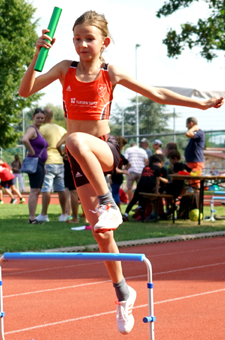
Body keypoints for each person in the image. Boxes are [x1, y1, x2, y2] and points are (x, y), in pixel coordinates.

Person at [18, 10, 223, 334]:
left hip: (104, 150)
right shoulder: (63, 69)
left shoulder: (109, 72)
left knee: (75, 140)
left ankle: (109, 204)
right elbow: (25, 91)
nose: (82, 44)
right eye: (76, 39)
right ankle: (123, 293)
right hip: (78, 159)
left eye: (89, 38)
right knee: (102, 235)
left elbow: (156, 93)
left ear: (104, 42)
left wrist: (198, 104)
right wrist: (36, 53)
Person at [35, 108, 67, 222]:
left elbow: (39, 144)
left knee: (46, 188)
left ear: (45, 116)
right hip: (60, 161)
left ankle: (44, 214)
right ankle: (64, 214)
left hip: (47, 161)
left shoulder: (42, 129)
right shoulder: (61, 129)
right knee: (61, 188)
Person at [22, 108, 48, 224]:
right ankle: (32, 218)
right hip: (35, 162)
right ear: (33, 117)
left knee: (37, 190)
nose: (40, 120)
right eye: (38, 118)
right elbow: (24, 139)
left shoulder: (39, 130)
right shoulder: (32, 130)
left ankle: (33, 217)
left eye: (42, 118)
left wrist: (44, 166)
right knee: (34, 190)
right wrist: (32, 151)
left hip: (41, 164)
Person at [123, 154, 163, 221]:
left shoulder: (146, 167)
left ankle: (126, 214)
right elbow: (157, 180)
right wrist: (157, 191)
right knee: (146, 200)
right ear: (156, 162)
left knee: (134, 200)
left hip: (140, 185)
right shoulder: (157, 168)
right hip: (149, 187)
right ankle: (143, 214)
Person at [56, 133, 79, 223]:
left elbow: (58, 145)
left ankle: (75, 218)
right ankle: (85, 217)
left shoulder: (69, 135)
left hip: (71, 167)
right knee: (83, 192)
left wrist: (63, 153)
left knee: (73, 192)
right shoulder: (81, 133)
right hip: (78, 164)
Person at [163, 150, 192, 216]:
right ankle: (172, 206)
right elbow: (190, 171)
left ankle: (172, 205)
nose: (170, 162)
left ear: (175, 158)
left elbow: (183, 172)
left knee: (163, 192)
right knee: (165, 191)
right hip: (181, 187)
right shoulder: (184, 165)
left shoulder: (177, 165)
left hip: (176, 188)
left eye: (170, 160)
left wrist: (175, 175)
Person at [109, 136, 130, 211]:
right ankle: (116, 212)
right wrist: (124, 169)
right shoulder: (121, 156)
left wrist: (123, 171)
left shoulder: (113, 155)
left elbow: (113, 168)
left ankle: (118, 212)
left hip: (114, 176)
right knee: (114, 194)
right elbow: (128, 164)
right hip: (119, 177)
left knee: (114, 194)